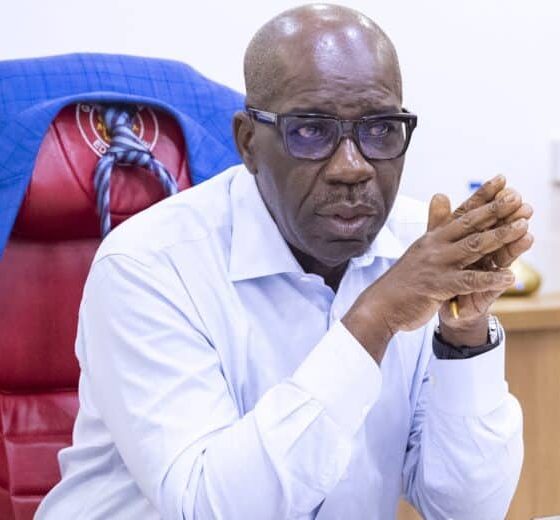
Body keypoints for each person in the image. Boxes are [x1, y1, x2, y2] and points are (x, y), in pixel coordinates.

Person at [37, 4, 533, 519]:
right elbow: (209, 508)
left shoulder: (417, 250)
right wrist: (375, 318)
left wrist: (465, 337)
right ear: (248, 143)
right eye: (311, 131)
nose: (352, 167)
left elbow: (467, 509)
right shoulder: (147, 266)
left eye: (381, 129)